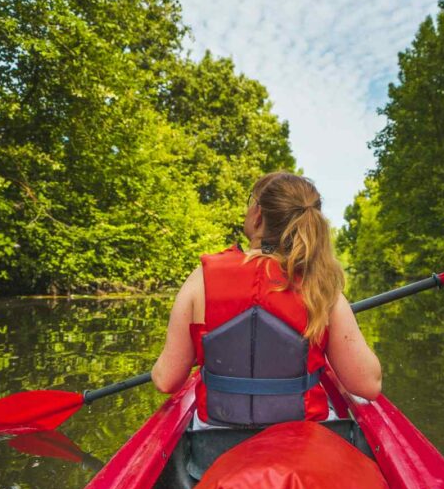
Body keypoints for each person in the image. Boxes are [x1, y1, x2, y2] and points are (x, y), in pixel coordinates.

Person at [151, 172, 381, 426]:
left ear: (258, 214)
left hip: (216, 435)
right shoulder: (321, 285)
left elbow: (165, 379)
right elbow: (368, 385)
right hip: (302, 436)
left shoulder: (201, 279)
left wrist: (201, 351)